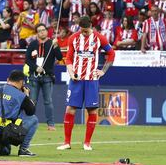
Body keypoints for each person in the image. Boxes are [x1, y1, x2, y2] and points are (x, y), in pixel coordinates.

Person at [57, 16, 115, 151]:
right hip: (76, 79)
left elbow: (111, 54)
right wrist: (71, 73)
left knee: (92, 110)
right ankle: (67, 142)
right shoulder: (73, 38)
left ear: (91, 27)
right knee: (70, 109)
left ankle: (87, 143)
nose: (84, 33)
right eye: (82, 31)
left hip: (91, 79)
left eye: (86, 31)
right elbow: (69, 58)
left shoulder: (100, 38)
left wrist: (103, 71)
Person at [0, 70, 39, 157]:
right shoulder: (20, 95)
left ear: (8, 80)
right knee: (34, 119)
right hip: (6, 130)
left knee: (6, 151)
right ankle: (23, 149)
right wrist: (27, 96)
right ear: (21, 82)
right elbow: (31, 112)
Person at [24, 23, 63, 131]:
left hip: (47, 77)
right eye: (40, 30)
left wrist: (56, 46)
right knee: (32, 101)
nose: (42, 32)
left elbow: (60, 57)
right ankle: (29, 123)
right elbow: (27, 60)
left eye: (44, 30)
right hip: (34, 76)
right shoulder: (32, 44)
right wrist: (36, 67)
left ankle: (51, 124)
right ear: (37, 33)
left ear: (47, 31)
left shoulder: (52, 43)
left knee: (48, 101)